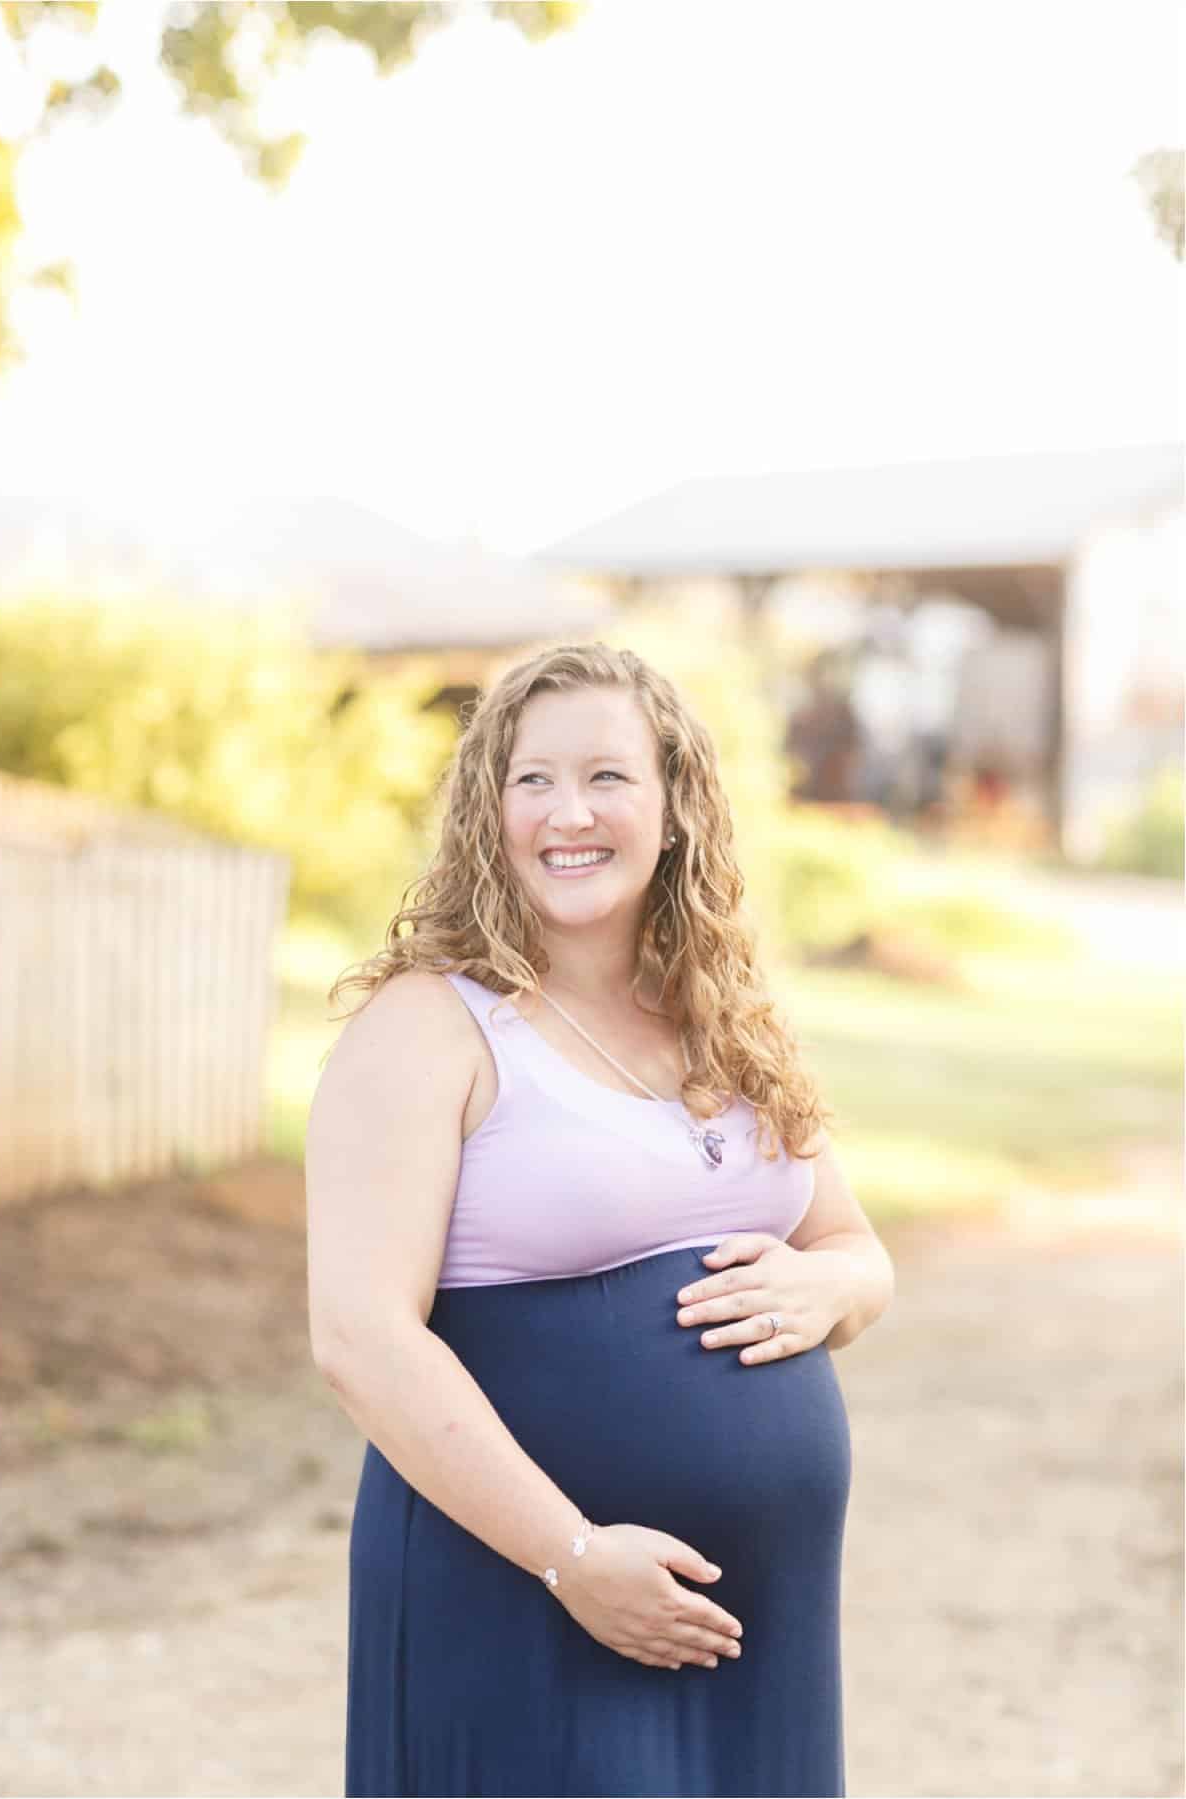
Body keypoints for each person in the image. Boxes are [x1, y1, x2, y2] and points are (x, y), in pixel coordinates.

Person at [306, 642, 895, 1798]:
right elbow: (360, 1338)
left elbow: (856, 1249)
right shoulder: (427, 1029)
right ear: (490, 808)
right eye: (533, 779)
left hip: (755, 1623)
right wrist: (573, 1556)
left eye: (608, 777)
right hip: (524, 1588)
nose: (567, 813)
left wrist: (831, 1289)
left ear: (674, 807)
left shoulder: (725, 1017)